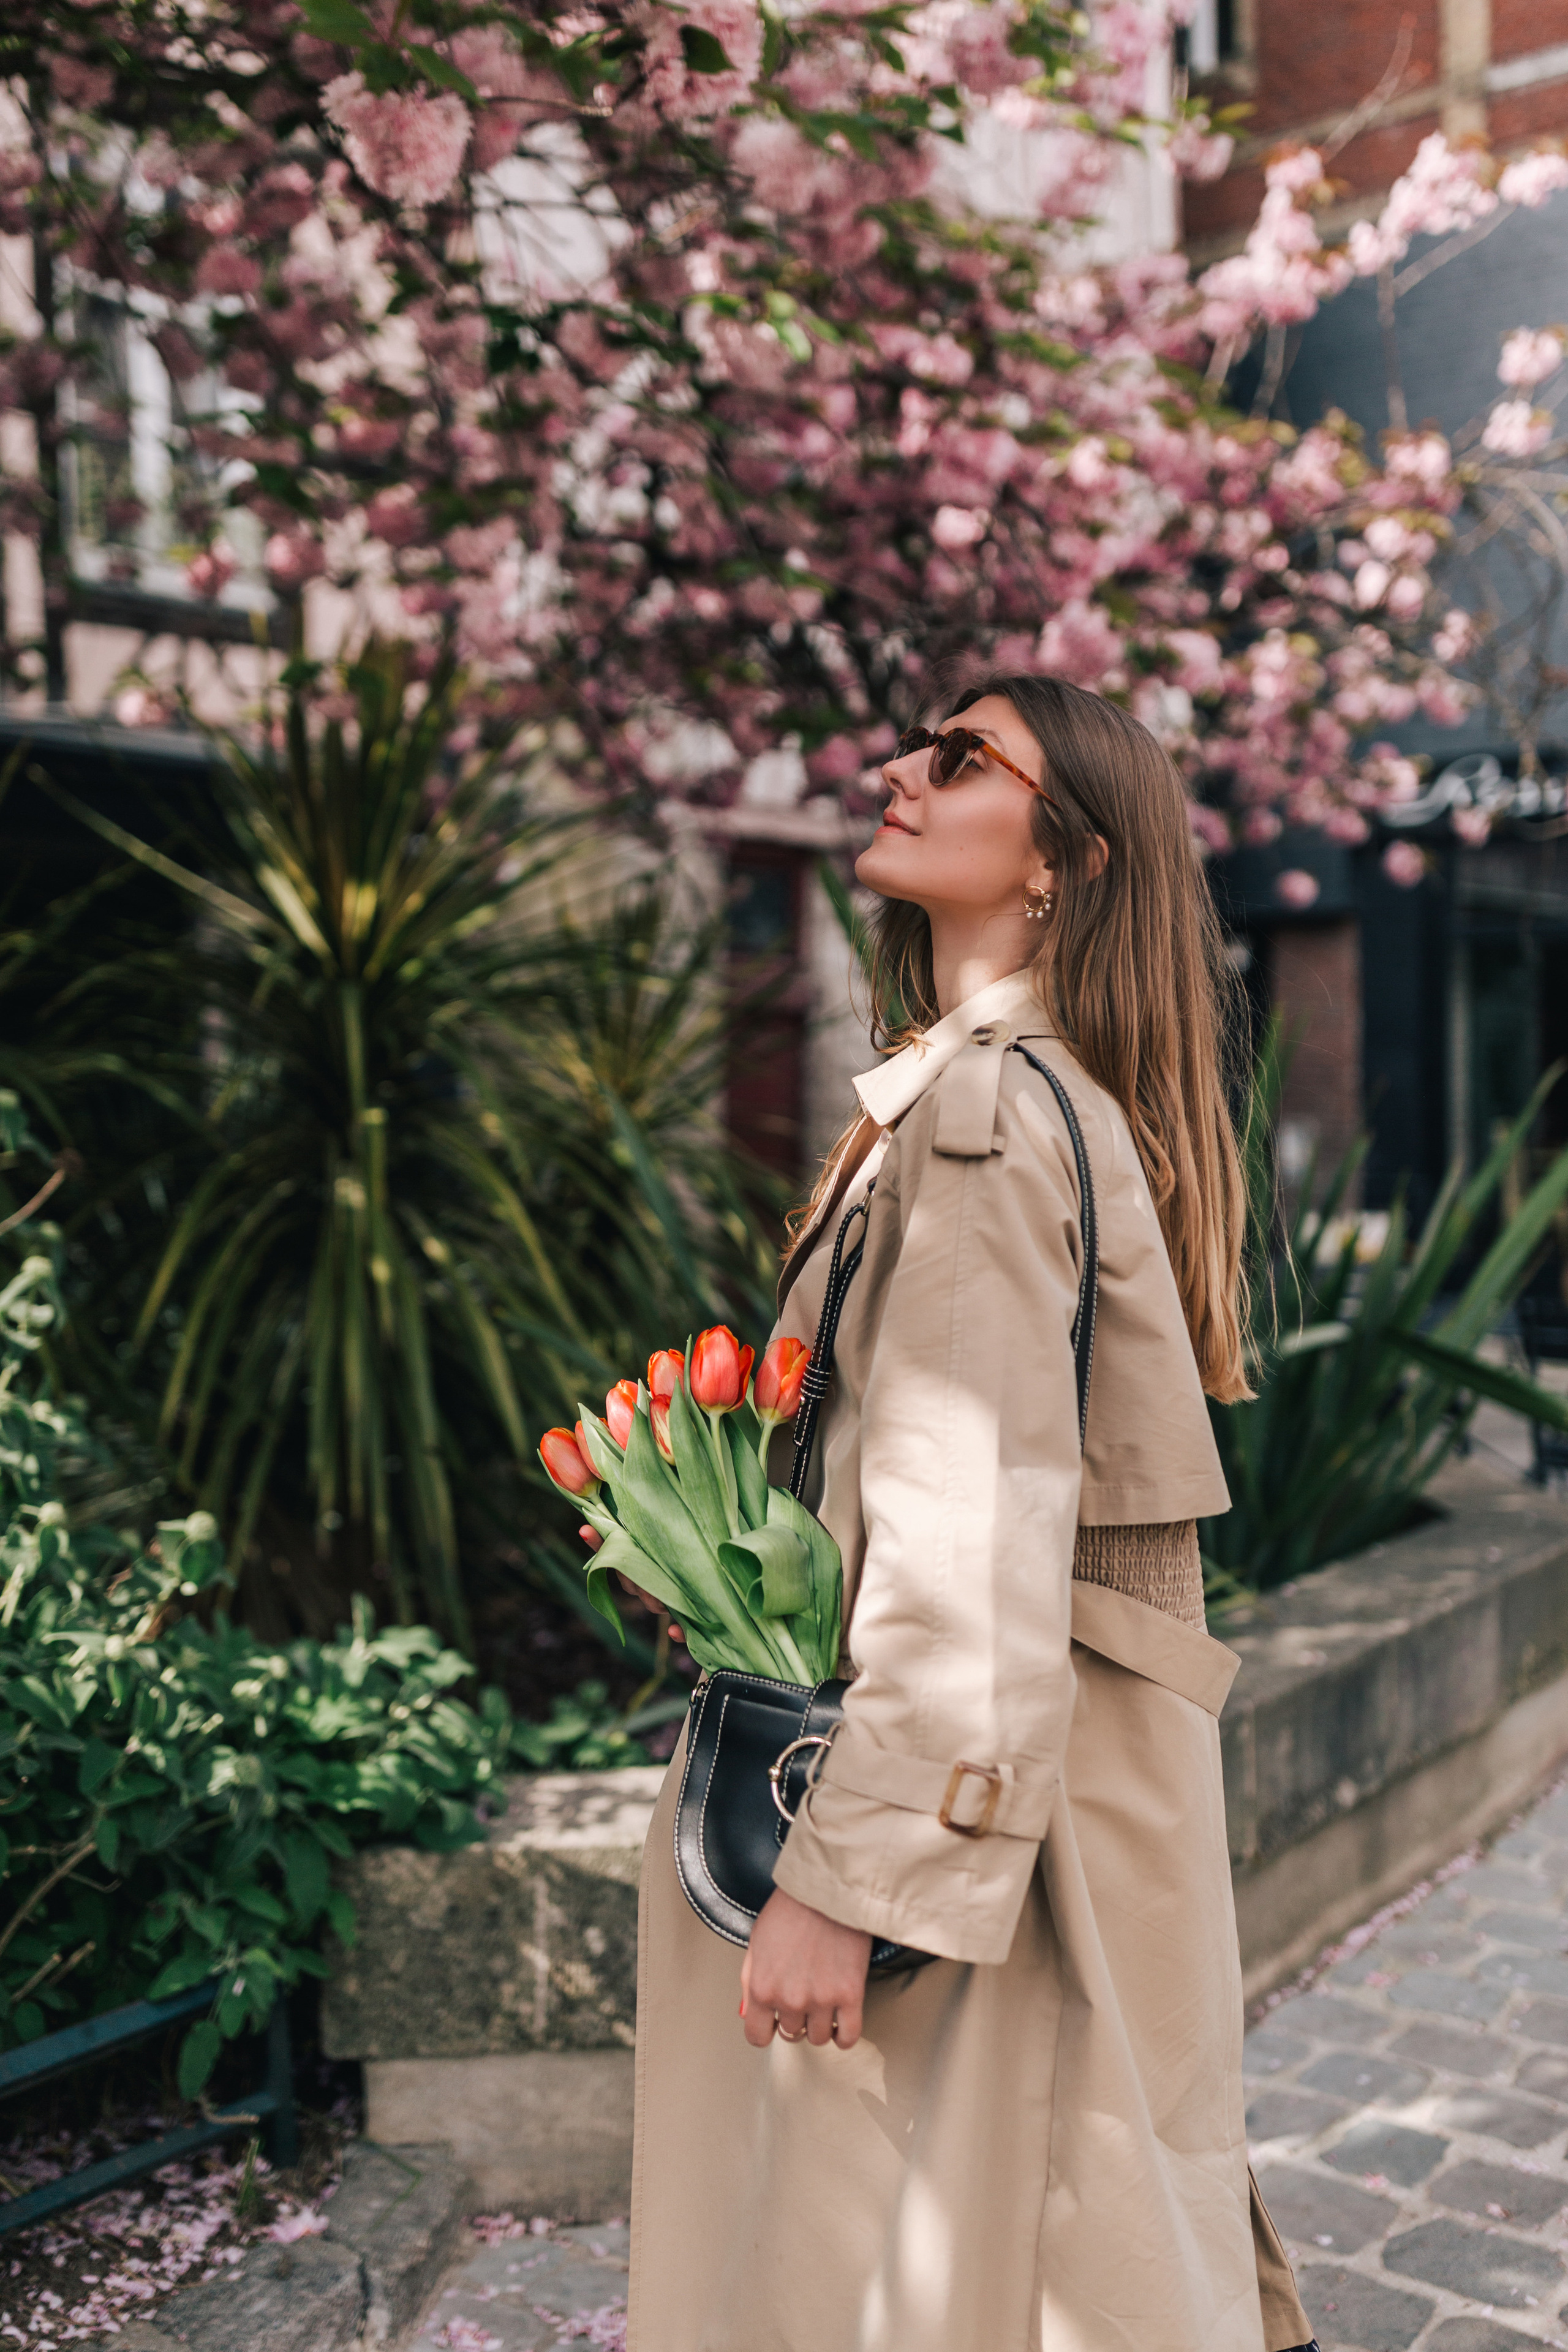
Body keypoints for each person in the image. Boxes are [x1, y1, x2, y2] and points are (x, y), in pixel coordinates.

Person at [627, 674, 1316, 2352]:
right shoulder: (980, 1097)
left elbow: (970, 1532)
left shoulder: (988, 1117)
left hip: (963, 1848)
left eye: (960, 759)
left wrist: (840, 1886)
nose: (898, 773)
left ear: (1063, 859)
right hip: (1022, 1809)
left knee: (945, 2278)